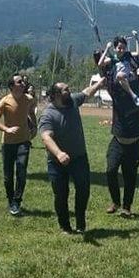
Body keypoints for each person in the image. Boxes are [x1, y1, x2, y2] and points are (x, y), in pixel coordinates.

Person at [38, 76, 106, 234]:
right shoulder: (48, 114)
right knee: (61, 195)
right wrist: (59, 153)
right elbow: (46, 137)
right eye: (65, 90)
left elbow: (86, 92)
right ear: (55, 95)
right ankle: (65, 226)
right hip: (57, 162)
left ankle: (81, 223)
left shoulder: (72, 101)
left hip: (79, 159)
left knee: (83, 191)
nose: (69, 91)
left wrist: (100, 82)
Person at [104, 50, 139, 218]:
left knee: (130, 177)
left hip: (133, 144)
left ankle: (126, 207)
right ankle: (115, 201)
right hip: (117, 142)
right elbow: (111, 79)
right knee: (110, 171)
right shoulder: (117, 97)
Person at [0, 74, 36, 215]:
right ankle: (11, 201)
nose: (23, 83)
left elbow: (30, 112)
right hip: (8, 143)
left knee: (21, 172)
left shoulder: (29, 99)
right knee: (8, 176)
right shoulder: (5, 101)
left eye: (23, 81)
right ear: (12, 86)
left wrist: (34, 125)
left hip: (24, 141)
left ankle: (17, 201)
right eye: (19, 82)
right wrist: (6, 129)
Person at [97, 33, 139, 107]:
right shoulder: (112, 59)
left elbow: (138, 53)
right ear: (115, 49)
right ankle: (134, 96)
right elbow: (100, 64)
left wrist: (136, 39)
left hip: (128, 75)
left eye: (123, 48)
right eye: (119, 48)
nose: (121, 50)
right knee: (120, 75)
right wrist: (107, 48)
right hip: (119, 78)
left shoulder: (127, 55)